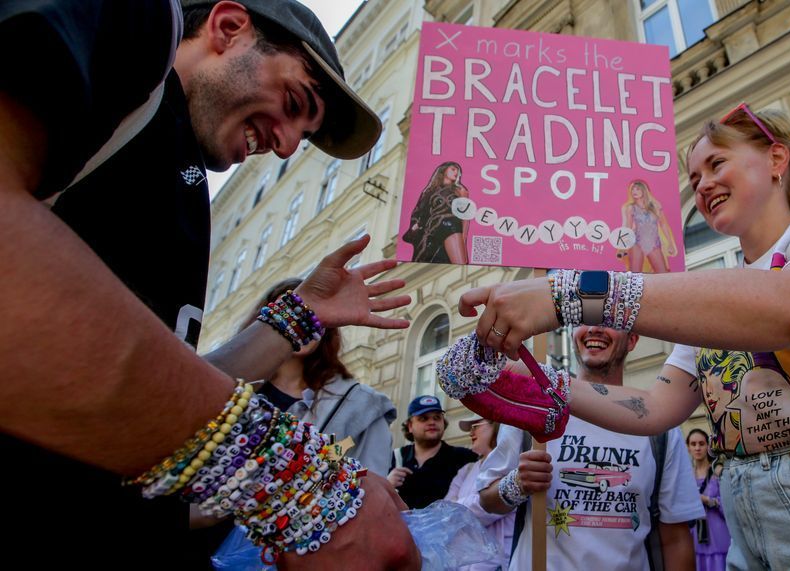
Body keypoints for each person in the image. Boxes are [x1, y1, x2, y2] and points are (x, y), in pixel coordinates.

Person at [446, 103, 790, 568]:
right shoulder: (712, 301)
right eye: (694, 178)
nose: (704, 185)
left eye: (717, 164)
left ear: (777, 159)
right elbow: (656, 405)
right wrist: (539, 384)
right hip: (754, 515)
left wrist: (570, 295)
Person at [0, 1, 419, 567]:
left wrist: (297, 316)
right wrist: (296, 487)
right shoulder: (137, 25)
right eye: (294, 104)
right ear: (227, 29)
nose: (290, 146)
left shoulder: (189, 187)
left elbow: (152, 392)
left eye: (305, 133)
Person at [474, 325, 702, 570]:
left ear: (632, 340)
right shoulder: (534, 408)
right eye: (585, 320)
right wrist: (517, 483)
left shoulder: (659, 429)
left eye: (610, 322)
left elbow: (675, 540)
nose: (594, 329)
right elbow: (487, 500)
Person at [250, 278, 397, 475]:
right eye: (286, 313)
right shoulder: (233, 389)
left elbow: (371, 483)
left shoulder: (361, 406)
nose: (299, 324)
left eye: (311, 313)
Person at [445, 417, 515, 571]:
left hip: (498, 564)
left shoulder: (509, 464)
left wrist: (459, 505)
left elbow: (489, 507)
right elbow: (446, 514)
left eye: (475, 426)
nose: (471, 433)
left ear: (496, 426)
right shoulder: (467, 470)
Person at [388, 395, 478, 509]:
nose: (432, 422)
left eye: (437, 418)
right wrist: (387, 485)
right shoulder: (394, 458)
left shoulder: (463, 458)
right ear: (410, 426)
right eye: (424, 418)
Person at [403, 160, 470, 264]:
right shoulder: (429, 191)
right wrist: (415, 226)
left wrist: (463, 239)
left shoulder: (460, 190)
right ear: (443, 170)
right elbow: (419, 212)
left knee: (459, 263)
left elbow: (465, 216)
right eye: (453, 169)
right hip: (431, 231)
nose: (456, 173)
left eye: (458, 171)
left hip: (451, 225)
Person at [686, 428, 730, 571]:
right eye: (693, 444)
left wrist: (707, 500)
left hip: (718, 537)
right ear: (688, 447)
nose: (697, 448)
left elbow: (729, 507)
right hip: (694, 539)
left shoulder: (717, 473)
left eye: (701, 443)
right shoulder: (685, 476)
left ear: (708, 446)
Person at [620, 179, 677, 273]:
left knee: (663, 273)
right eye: (632, 190)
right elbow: (628, 227)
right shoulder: (631, 208)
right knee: (635, 274)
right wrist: (622, 247)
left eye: (637, 189)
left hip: (653, 242)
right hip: (637, 242)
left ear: (644, 190)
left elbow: (663, 224)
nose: (634, 192)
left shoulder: (655, 206)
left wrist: (670, 243)